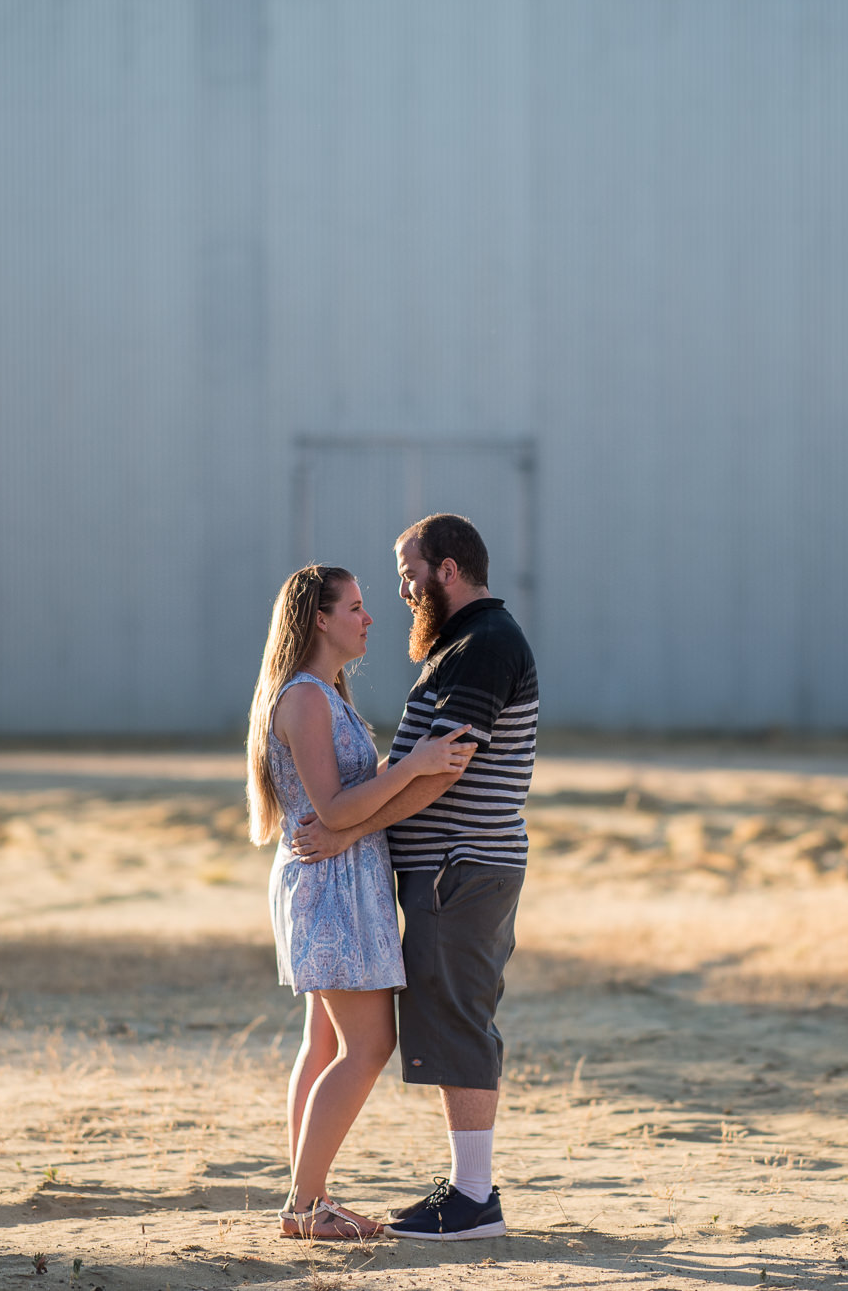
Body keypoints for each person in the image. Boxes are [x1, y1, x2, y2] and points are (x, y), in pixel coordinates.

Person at [293, 513, 538, 1241]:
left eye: (408, 572)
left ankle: (472, 1199)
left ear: (449, 570)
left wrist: (347, 826)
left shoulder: (484, 644)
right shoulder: (460, 647)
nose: (402, 589)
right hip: (446, 872)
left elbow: (445, 768)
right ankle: (462, 1191)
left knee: (460, 1018)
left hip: (461, 868)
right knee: (448, 1016)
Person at [247, 564, 478, 1240]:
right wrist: (414, 767)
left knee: (324, 1041)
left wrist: (403, 765)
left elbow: (346, 797)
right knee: (370, 1042)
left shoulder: (324, 693)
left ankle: (304, 1198)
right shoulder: (306, 698)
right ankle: (306, 1202)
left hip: (342, 878)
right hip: (332, 886)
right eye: (354, 606)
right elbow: (334, 806)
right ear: (319, 618)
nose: (369, 617)